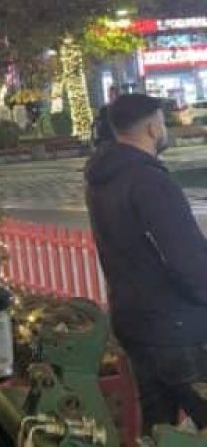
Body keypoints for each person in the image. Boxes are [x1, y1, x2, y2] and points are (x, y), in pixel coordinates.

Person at [84, 93, 207, 433]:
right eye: (162, 122)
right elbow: (185, 257)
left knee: (157, 427)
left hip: (135, 324)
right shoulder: (150, 181)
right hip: (177, 328)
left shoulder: (101, 180)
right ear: (153, 127)